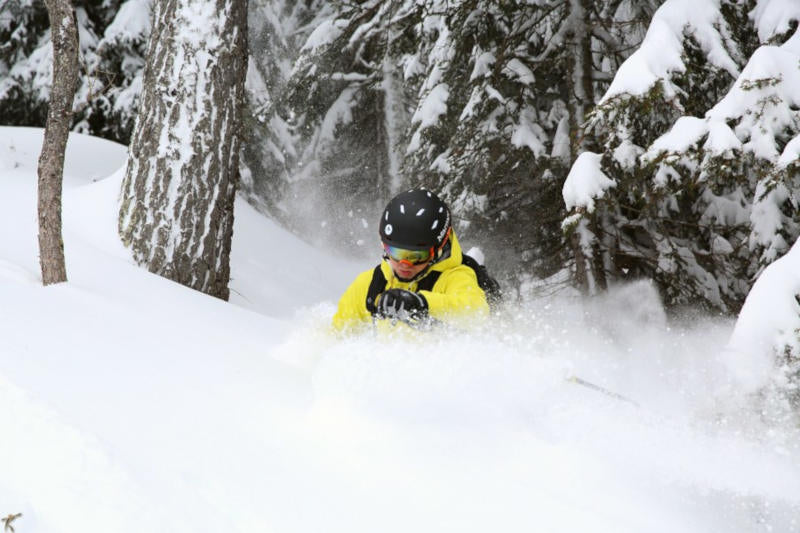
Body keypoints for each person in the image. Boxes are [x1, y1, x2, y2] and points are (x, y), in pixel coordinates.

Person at [332, 188, 489, 332]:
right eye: (396, 253)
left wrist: (422, 304)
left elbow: (476, 312)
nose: (404, 264)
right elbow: (336, 334)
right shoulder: (371, 285)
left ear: (438, 249)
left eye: (417, 256)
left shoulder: (456, 277)